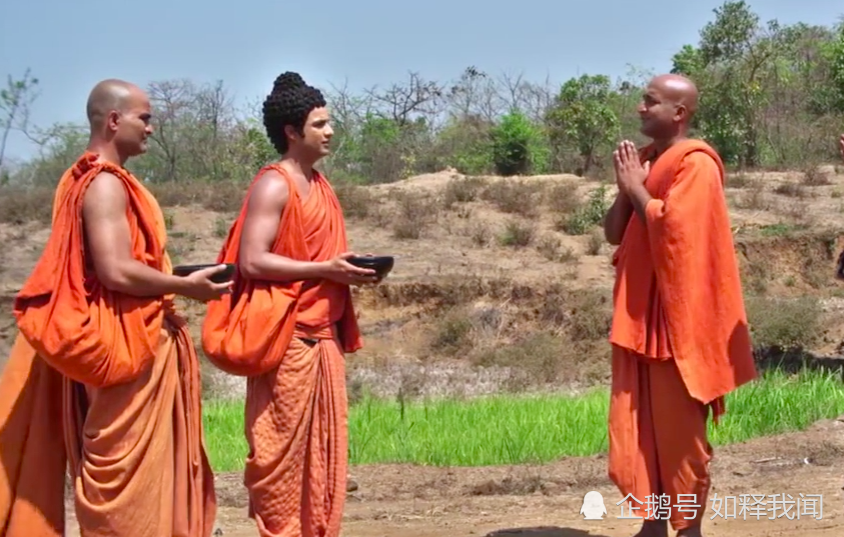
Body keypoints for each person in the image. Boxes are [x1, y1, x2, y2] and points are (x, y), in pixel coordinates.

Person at [0, 79, 227, 537]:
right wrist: (184, 286)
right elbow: (116, 272)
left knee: (140, 481)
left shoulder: (84, 179)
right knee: (124, 492)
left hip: (125, 339)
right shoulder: (103, 183)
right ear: (113, 120)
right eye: (144, 118)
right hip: (126, 350)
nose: (151, 128)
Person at [201, 71, 377, 537]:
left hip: (324, 343)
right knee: (277, 457)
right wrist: (324, 271)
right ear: (292, 132)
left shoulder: (320, 185)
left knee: (323, 459)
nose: (331, 131)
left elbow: (318, 257)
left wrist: (345, 270)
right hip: (287, 343)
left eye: (330, 121)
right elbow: (252, 260)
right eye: (320, 123)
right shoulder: (274, 185)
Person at [601, 73, 757, 537]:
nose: (640, 109)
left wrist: (637, 187)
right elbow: (614, 232)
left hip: (676, 323)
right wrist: (626, 185)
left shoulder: (697, 164)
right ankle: (651, 523)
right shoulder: (647, 161)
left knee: (679, 432)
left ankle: (688, 529)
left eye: (650, 102)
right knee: (639, 422)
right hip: (638, 317)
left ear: (679, 113)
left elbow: (678, 233)